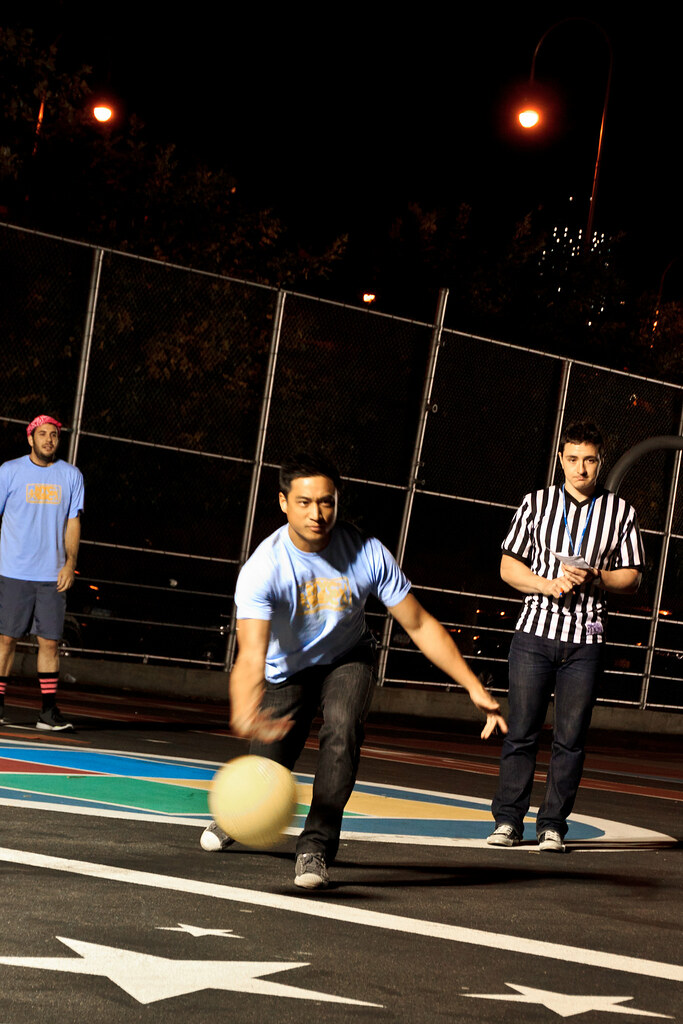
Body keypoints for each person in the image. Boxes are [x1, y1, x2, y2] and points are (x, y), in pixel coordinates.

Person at [201, 451, 507, 888]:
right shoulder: (263, 568)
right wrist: (243, 705)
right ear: (283, 503)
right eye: (304, 502)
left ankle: (315, 847)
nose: (317, 513)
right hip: (286, 668)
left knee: (342, 731)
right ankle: (241, 815)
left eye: (326, 502)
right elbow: (250, 652)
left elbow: (419, 624)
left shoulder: (367, 552)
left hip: (348, 657)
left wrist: (472, 685)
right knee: (268, 763)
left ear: (337, 501)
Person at [487, 421, 644, 853]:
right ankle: (508, 821)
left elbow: (633, 578)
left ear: (601, 461)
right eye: (573, 459)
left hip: (586, 640)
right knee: (522, 731)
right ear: (560, 459)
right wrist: (545, 584)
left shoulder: (621, 512)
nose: (581, 469)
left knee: (570, 739)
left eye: (589, 460)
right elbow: (508, 567)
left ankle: (553, 825)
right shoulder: (536, 503)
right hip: (534, 634)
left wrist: (598, 576)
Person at [0, 415, 84, 730]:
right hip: (13, 571)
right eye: (43, 434)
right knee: (6, 640)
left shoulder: (71, 476)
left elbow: (73, 522)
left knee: (49, 643)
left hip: (52, 575)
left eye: (54, 435)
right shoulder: (9, 471)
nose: (49, 439)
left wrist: (70, 563)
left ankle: (48, 713)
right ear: (30, 438)